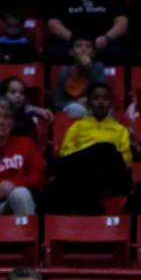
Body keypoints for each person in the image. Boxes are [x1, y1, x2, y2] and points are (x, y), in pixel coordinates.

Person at [54, 82, 133, 211]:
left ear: (110, 103)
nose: (100, 102)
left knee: (107, 150)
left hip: (109, 174)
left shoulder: (120, 130)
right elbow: (66, 153)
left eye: (105, 99)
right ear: (89, 102)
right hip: (81, 171)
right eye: (96, 99)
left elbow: (126, 158)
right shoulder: (77, 127)